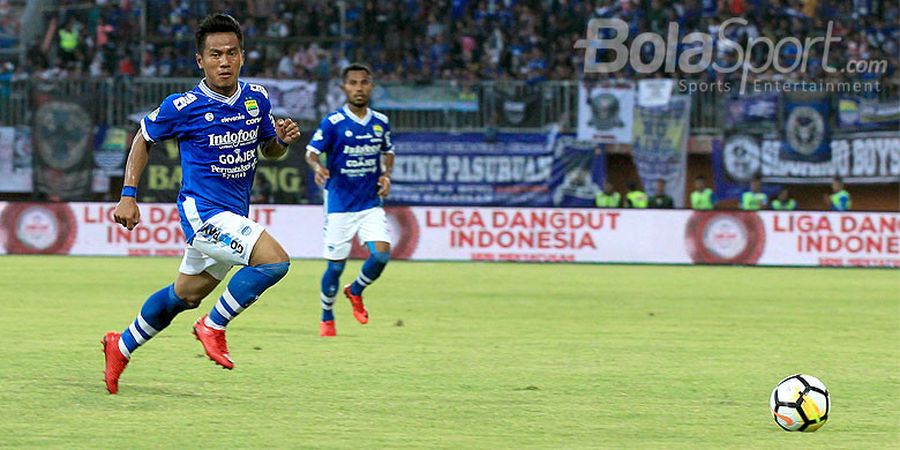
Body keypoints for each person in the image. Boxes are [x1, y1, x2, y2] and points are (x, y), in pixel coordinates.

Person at [100, 14, 303, 394]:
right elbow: (143, 137)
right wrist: (128, 194)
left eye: (231, 53)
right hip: (203, 214)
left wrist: (280, 140)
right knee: (275, 261)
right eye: (215, 55)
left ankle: (121, 345)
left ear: (243, 56)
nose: (223, 62)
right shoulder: (183, 106)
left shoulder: (257, 99)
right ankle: (213, 326)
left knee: (184, 296)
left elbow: (270, 150)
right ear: (200, 61)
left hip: (233, 217)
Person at [306, 63, 395, 337]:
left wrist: (386, 174)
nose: (359, 88)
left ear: (371, 86)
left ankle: (355, 290)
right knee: (335, 267)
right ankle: (326, 316)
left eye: (364, 82)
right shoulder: (333, 123)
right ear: (344, 87)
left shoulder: (380, 122)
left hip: (369, 202)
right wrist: (318, 167)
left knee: (380, 255)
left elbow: (388, 151)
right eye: (353, 83)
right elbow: (311, 152)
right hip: (339, 205)